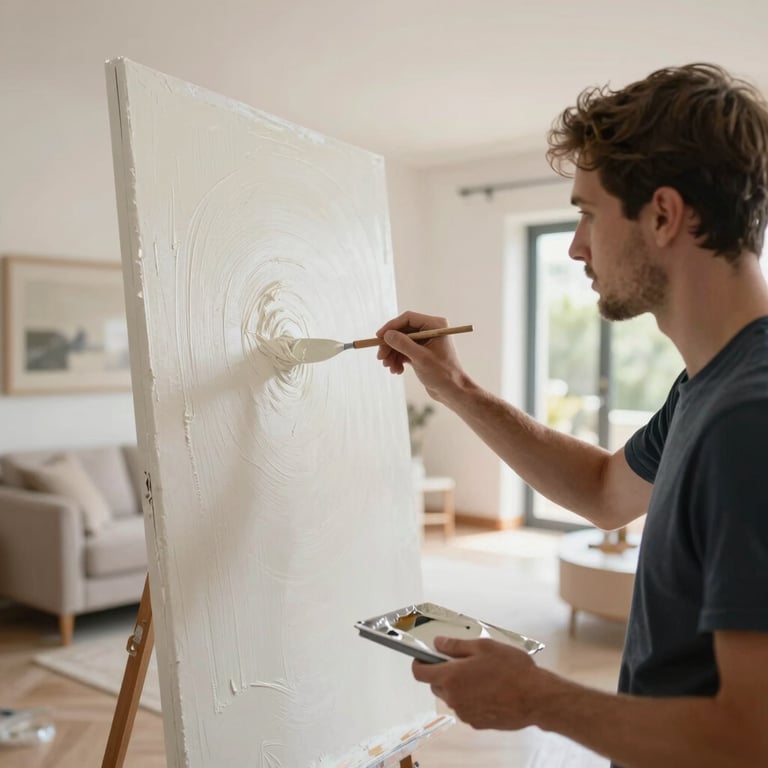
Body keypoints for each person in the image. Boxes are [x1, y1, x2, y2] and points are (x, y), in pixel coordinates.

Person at [376, 63, 768, 767]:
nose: (575, 246)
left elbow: (749, 739)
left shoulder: (749, 420)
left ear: (663, 214)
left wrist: (536, 698)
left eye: (588, 213)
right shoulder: (709, 386)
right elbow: (602, 490)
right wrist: (457, 388)